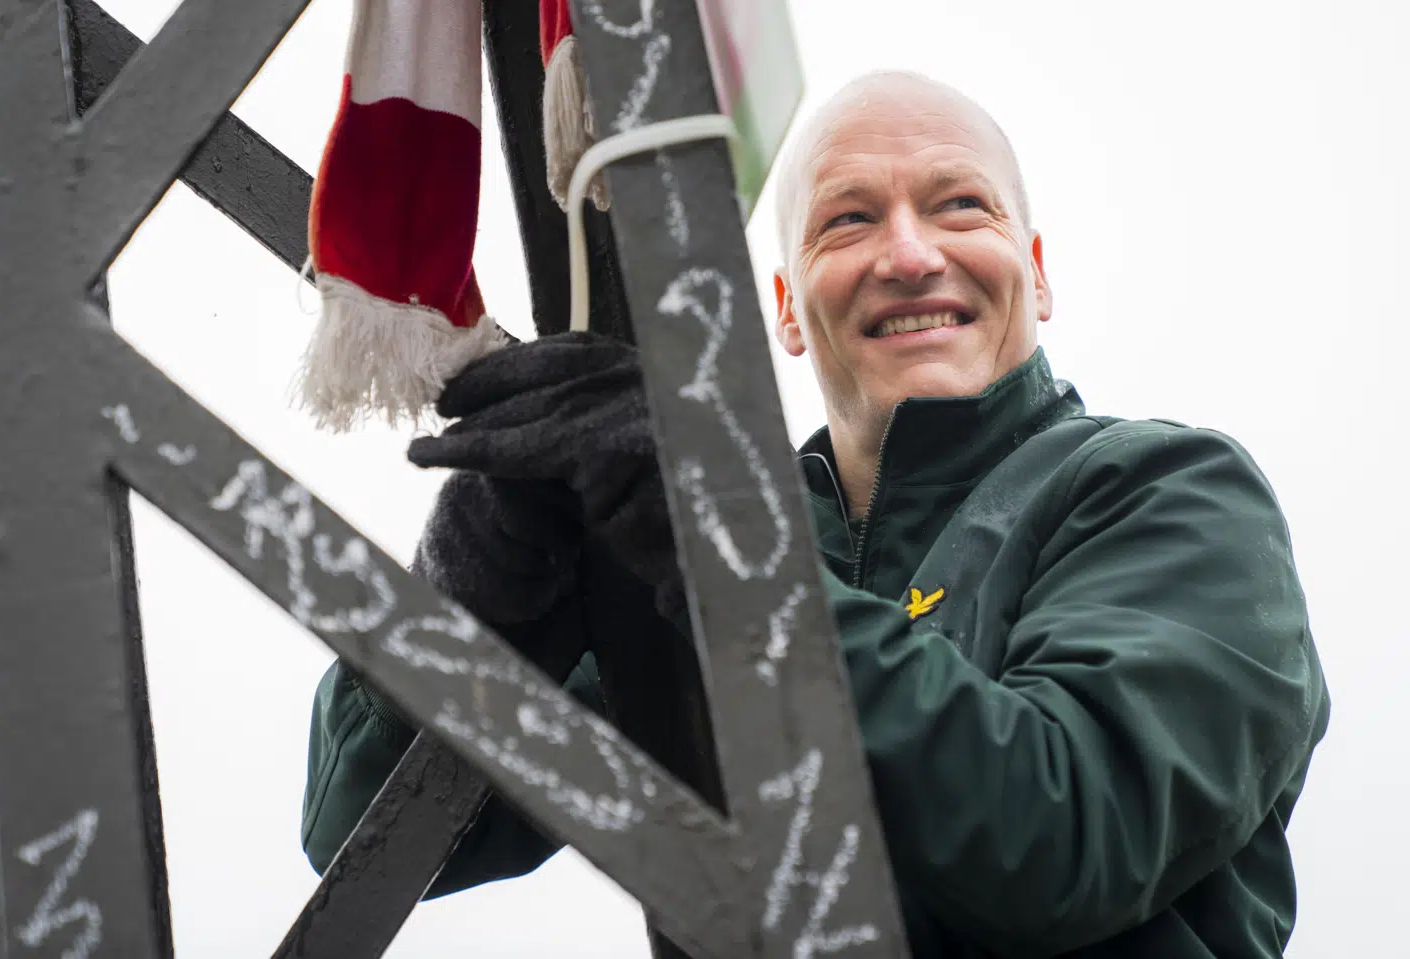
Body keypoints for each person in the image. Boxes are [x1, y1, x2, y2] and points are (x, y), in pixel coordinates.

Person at [300, 71, 1330, 957]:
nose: (911, 253)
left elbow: (1062, 836)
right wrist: (482, 567)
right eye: (850, 217)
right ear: (787, 309)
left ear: (1039, 271)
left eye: (961, 204)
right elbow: (357, 827)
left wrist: (732, 535)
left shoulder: (1169, 490)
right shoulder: (666, 519)